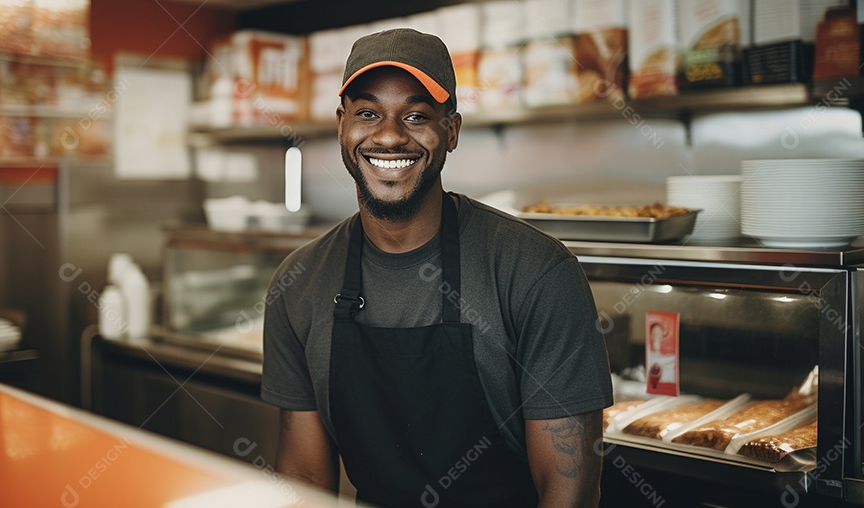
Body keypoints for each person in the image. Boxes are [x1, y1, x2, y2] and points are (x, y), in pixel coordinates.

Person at [261, 28, 613, 507]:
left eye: (416, 116)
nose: (389, 135)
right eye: (368, 113)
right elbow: (303, 478)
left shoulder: (536, 271)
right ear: (342, 125)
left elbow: (569, 490)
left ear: (451, 130)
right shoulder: (299, 282)